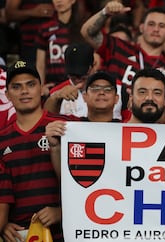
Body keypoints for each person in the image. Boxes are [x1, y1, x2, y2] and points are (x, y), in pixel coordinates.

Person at [0, 60, 69, 242]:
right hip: (18, 236)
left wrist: (63, 212)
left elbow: (89, 180)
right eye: (16, 86)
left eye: (30, 84)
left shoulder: (66, 126)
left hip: (62, 233)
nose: (24, 91)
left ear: (41, 88)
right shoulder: (1, 139)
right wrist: (3, 223)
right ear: (7, 94)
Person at [81, 2, 165, 123]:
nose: (156, 29)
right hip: (108, 126)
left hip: (141, 133)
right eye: (151, 24)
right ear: (141, 27)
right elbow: (87, 33)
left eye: (162, 26)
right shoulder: (118, 47)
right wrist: (105, 13)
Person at [44, 42, 124, 120]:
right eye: (73, 77)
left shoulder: (118, 88)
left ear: (94, 65)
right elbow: (46, 121)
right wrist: (57, 97)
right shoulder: (56, 93)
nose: (78, 81)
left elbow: (130, 122)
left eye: (83, 76)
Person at [36, 0, 86, 87]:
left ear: (73, 1)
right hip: (52, 87)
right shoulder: (45, 28)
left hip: (79, 85)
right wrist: (41, 87)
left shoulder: (83, 28)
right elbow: (40, 65)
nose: (59, 1)